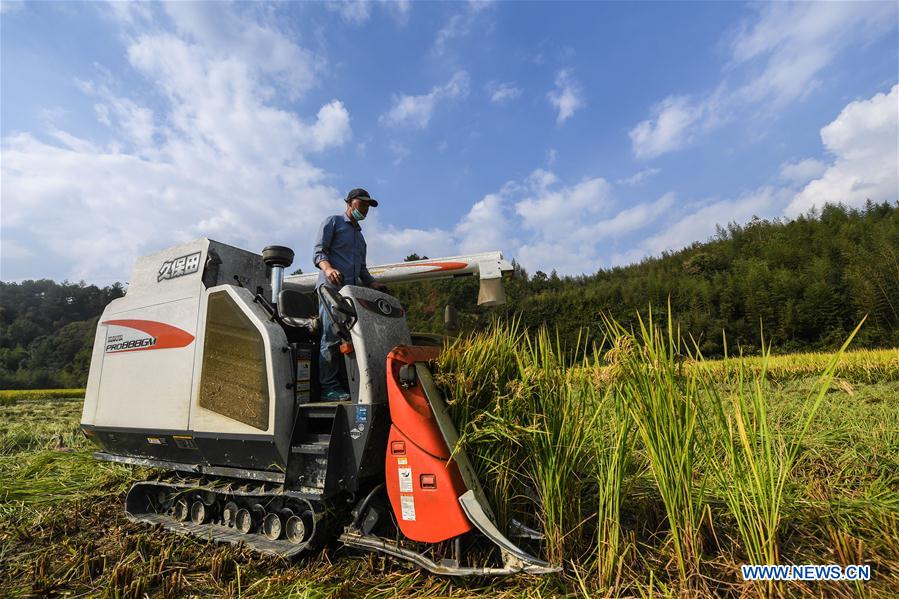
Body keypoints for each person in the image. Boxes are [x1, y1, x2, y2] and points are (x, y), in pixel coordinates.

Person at [313, 188, 386, 401]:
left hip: (350, 295)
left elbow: (362, 270)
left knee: (354, 338)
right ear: (349, 202)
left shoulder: (360, 239)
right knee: (331, 336)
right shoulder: (333, 222)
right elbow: (319, 252)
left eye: (368, 206)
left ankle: (349, 383)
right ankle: (328, 388)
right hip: (331, 289)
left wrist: (374, 284)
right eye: (362, 204)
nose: (365, 209)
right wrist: (328, 269)